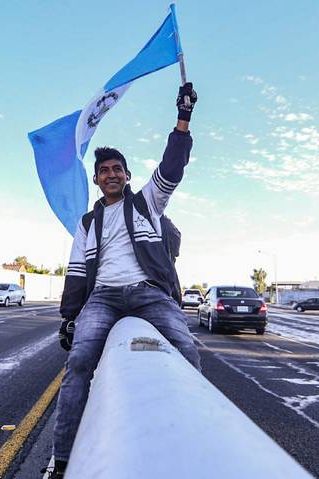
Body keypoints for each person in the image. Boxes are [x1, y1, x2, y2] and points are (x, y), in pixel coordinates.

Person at [46, 83, 200, 478]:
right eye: (104, 171)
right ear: (97, 180)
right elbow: (77, 272)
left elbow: (172, 168)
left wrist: (183, 118)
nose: (111, 174)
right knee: (79, 361)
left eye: (117, 169)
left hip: (149, 295)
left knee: (186, 349)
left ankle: (188, 443)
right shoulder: (87, 223)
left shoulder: (146, 203)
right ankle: (63, 458)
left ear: (128, 176)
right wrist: (69, 317)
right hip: (104, 298)